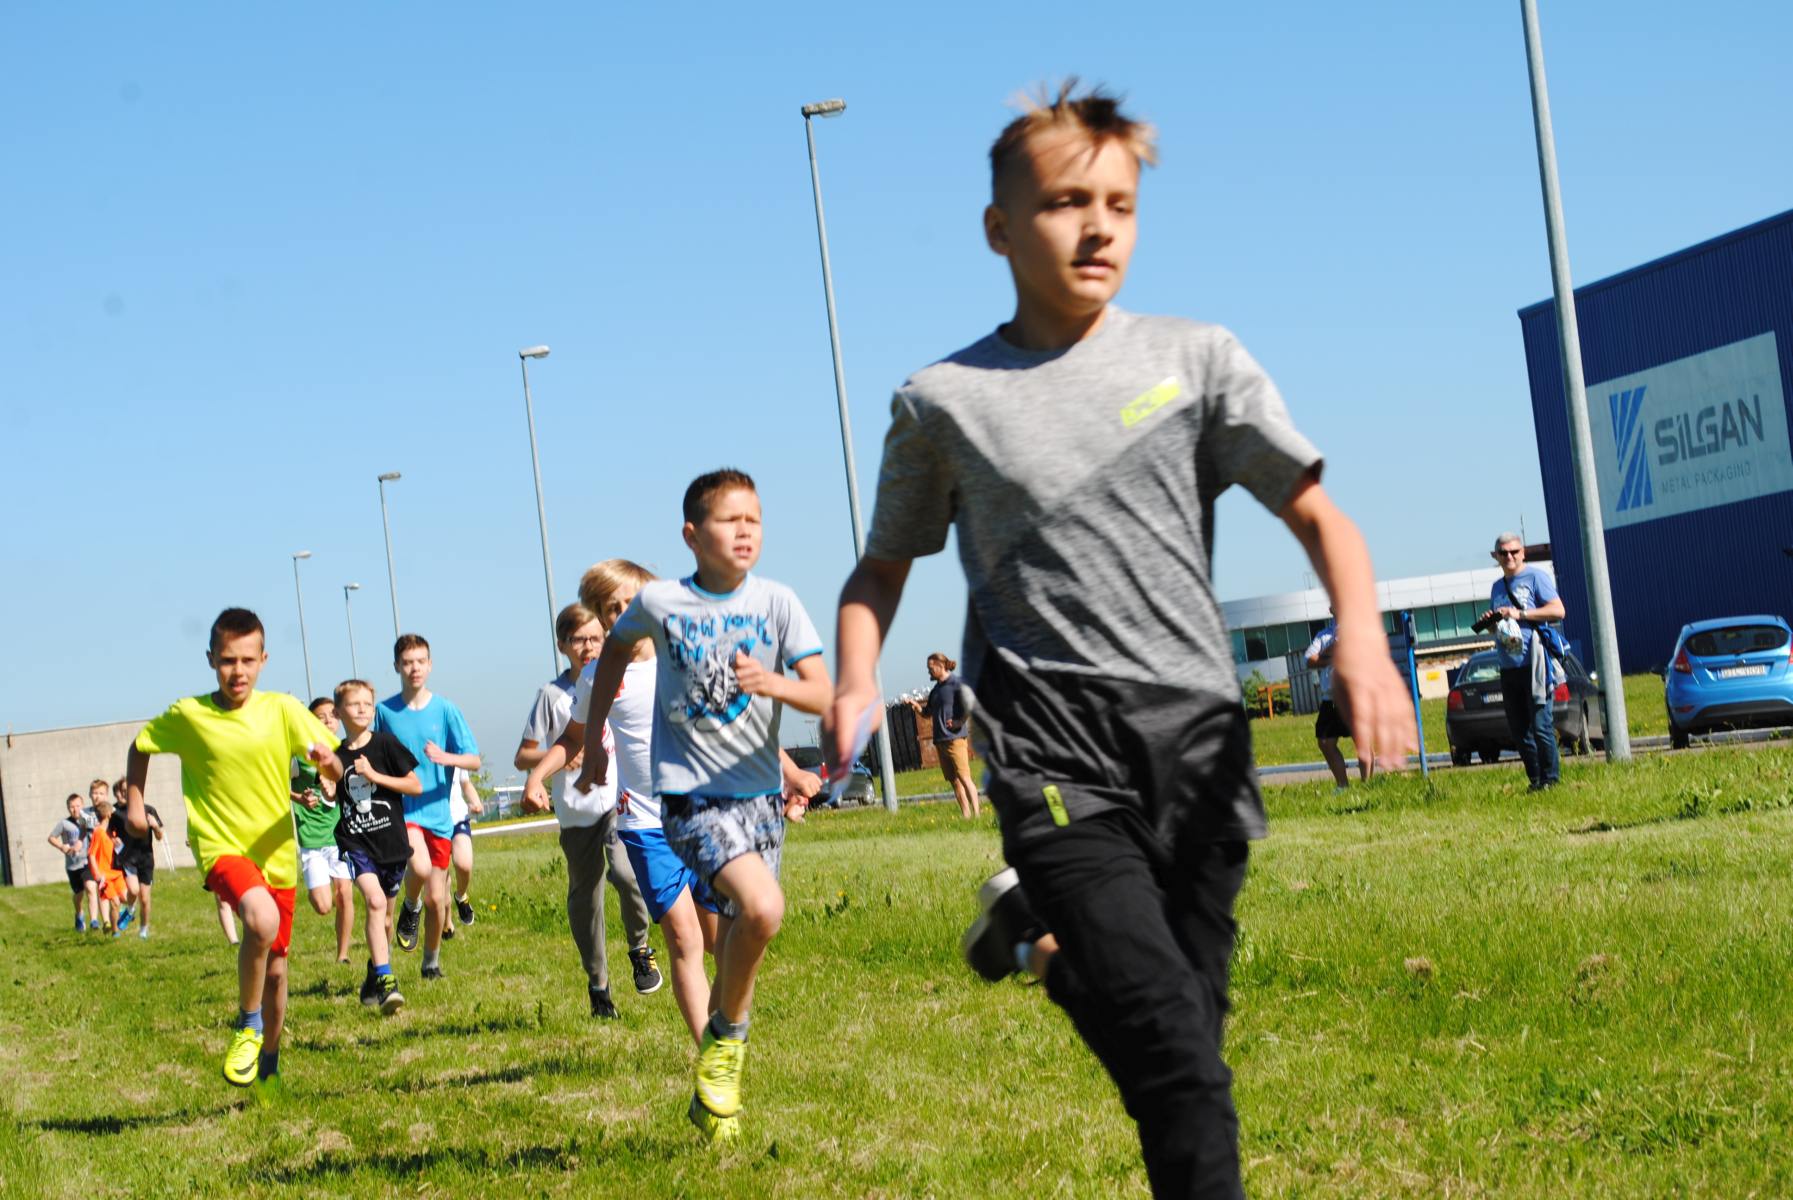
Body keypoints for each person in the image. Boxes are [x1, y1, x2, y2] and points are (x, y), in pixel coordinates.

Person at [825, 85, 1416, 1198]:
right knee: (1178, 1065)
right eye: (1064, 203)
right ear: (999, 228)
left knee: (1182, 1036)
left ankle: (1031, 940)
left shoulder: (1197, 359)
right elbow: (881, 567)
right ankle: (1043, 928)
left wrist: (1363, 640)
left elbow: (1318, 516)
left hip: (1197, 747)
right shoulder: (944, 402)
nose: (1097, 228)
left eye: (1119, 205)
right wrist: (855, 676)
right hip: (1053, 750)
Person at [572, 472, 831, 1143]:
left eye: (754, 519)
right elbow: (610, 661)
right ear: (691, 535)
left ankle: (720, 1041)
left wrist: (778, 709)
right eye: (728, 520)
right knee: (755, 911)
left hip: (758, 803)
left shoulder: (778, 602)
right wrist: (593, 749)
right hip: (684, 804)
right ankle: (723, 1046)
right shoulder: (661, 605)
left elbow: (818, 692)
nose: (745, 531)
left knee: (742, 934)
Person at [528, 566, 822, 1045]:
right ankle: (710, 1052)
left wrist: (790, 772)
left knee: (719, 943)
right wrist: (537, 775)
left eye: (631, 603)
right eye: (611, 610)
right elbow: (574, 737)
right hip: (646, 822)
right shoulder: (599, 676)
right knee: (683, 937)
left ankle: (724, 1028)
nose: (623, 615)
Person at [124, 607, 341, 1094]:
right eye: (227, 660)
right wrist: (135, 804)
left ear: (264, 659)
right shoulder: (189, 715)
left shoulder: (283, 710)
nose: (237, 671)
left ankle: (269, 1065)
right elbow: (140, 746)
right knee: (260, 921)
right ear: (210, 660)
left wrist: (329, 763)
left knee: (277, 972)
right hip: (220, 845)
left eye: (247, 660)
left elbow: (336, 769)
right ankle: (247, 1024)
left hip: (277, 854)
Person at [514, 600, 658, 1016]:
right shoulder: (552, 695)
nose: (589, 647)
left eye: (596, 638)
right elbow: (523, 755)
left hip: (618, 800)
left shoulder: (616, 678)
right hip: (576, 808)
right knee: (586, 898)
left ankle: (640, 948)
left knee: (628, 873)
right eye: (578, 640)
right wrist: (550, 765)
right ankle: (598, 985)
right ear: (563, 645)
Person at [375, 633, 481, 981]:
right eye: (407, 662)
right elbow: (369, 750)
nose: (414, 668)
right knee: (418, 867)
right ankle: (410, 904)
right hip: (405, 811)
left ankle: (431, 963)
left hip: (439, 816)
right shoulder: (385, 712)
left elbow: (473, 759)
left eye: (421, 661)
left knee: (438, 899)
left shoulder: (446, 710)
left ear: (430, 665)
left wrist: (447, 757)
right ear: (396, 666)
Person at [332, 678, 421, 1014]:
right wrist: (322, 791)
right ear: (339, 711)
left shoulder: (385, 744)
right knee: (374, 900)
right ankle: (386, 981)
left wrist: (374, 776)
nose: (362, 709)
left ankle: (373, 971)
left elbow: (414, 785)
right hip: (356, 843)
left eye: (368, 704)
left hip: (392, 844)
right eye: (354, 704)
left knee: (384, 921)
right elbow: (330, 792)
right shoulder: (336, 756)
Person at [1480, 533, 1565, 792]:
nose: (1509, 556)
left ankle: (1551, 780)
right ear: (1496, 556)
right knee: (1519, 731)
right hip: (1509, 666)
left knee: (1541, 726)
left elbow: (1558, 610)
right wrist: (1490, 623)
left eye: (1514, 551)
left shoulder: (1536, 577)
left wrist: (1521, 613)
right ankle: (1536, 781)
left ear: (1523, 552)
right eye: (1503, 553)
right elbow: (1495, 631)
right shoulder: (1497, 587)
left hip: (1535, 664)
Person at [294, 696, 356, 963]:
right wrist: (299, 798)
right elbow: (274, 784)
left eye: (333, 715)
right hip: (311, 838)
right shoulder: (299, 755)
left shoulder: (345, 750)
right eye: (322, 717)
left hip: (340, 834)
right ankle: (319, 891)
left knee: (344, 894)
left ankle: (343, 954)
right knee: (323, 905)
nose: (329, 720)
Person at [1304, 611, 1375, 791]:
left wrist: (1325, 656)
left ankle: (1367, 786)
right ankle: (1342, 786)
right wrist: (1335, 648)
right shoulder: (1323, 635)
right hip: (1330, 698)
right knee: (1325, 742)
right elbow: (1309, 660)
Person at [907, 653, 980, 818]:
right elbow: (927, 713)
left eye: (930, 668)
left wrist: (958, 723)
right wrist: (917, 707)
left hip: (955, 740)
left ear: (940, 666)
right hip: (940, 742)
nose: (929, 672)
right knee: (954, 781)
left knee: (965, 778)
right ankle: (967, 816)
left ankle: (977, 815)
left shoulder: (957, 684)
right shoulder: (936, 691)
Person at [109, 783, 164, 938]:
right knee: (133, 890)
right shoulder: (116, 813)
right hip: (127, 858)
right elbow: (109, 831)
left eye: (125, 791)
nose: (122, 795)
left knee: (145, 899)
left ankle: (143, 930)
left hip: (146, 858)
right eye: (120, 792)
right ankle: (130, 909)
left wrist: (155, 826)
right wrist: (113, 839)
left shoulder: (149, 810)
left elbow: (159, 836)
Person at [441, 769, 484, 939]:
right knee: (441, 876)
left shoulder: (457, 755)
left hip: (459, 818)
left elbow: (465, 782)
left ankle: (461, 896)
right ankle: (446, 921)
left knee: (464, 865)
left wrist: (476, 802)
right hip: (435, 822)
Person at [48, 793, 99, 931]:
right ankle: (79, 914)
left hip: (87, 862)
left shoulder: (88, 820)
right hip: (73, 865)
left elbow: (100, 830)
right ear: (68, 808)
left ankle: (94, 920)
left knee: (91, 888)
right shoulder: (64, 824)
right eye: (72, 807)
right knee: (79, 894)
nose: (75, 809)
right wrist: (61, 846)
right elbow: (51, 838)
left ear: (83, 806)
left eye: (78, 806)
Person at [88, 794, 130, 934]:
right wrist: (97, 874)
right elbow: (91, 854)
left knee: (126, 898)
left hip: (116, 872)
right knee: (115, 902)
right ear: (108, 815)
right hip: (104, 876)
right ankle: (115, 931)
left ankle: (123, 915)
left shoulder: (111, 832)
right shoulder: (98, 832)